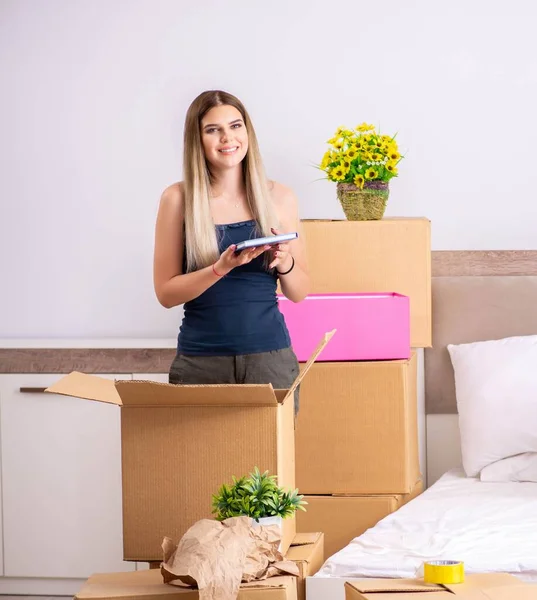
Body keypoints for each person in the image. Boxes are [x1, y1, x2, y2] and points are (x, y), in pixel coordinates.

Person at [153, 90, 310, 415]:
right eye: (213, 129)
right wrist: (218, 268)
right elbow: (166, 294)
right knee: (203, 466)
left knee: (268, 467)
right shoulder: (178, 199)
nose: (228, 137)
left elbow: (300, 292)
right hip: (200, 365)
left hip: (271, 362)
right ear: (198, 139)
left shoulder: (279, 197)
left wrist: (285, 261)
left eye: (235, 126)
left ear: (247, 132)